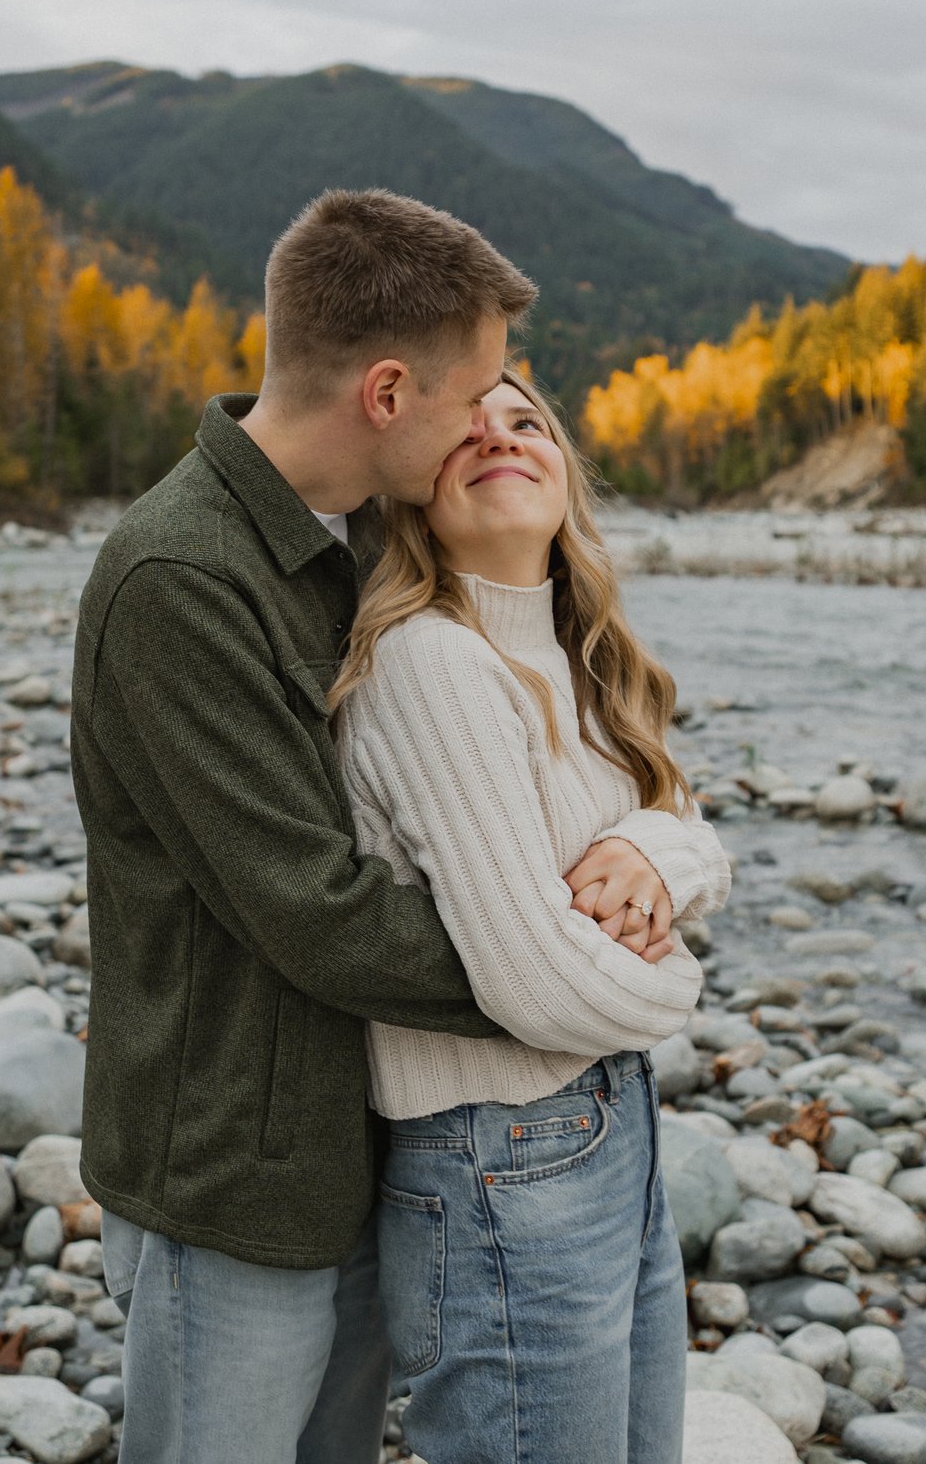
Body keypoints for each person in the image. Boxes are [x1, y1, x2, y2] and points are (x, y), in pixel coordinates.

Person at [70, 189, 684, 1464]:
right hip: (236, 1169)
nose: (490, 428)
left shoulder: (348, 545)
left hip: (360, 1137)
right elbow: (320, 908)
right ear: (389, 393)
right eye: (479, 397)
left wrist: (651, 857)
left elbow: (597, 785)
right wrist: (576, 966)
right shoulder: (179, 576)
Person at [334, 367, 732, 1464]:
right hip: (498, 1156)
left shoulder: (586, 653)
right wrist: (678, 981)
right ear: (413, 489)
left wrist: (643, 851)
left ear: (566, 467)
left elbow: (693, 828)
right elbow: (536, 983)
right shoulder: (432, 662)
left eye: (526, 422)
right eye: (464, 432)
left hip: (607, 1122)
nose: (499, 439)